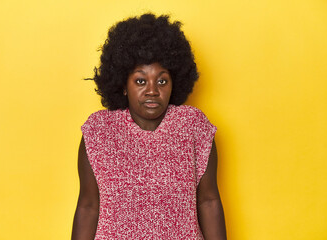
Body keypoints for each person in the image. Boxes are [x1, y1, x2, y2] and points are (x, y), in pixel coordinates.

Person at [72, 13, 227, 240]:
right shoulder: (98, 132)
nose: (152, 90)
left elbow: (209, 201)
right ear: (123, 85)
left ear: (175, 82)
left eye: (162, 80)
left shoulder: (194, 126)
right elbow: (87, 206)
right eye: (140, 81)